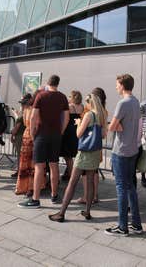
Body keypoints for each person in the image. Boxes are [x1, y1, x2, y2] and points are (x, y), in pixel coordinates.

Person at [49, 91, 106, 222]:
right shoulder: (101, 115)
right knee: (90, 181)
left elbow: (79, 134)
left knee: (72, 182)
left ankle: (61, 213)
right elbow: (103, 135)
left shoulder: (89, 115)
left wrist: (79, 123)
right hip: (95, 152)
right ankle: (87, 211)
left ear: (89, 103)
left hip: (85, 152)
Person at [22, 75, 70, 207]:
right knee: (54, 166)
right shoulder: (63, 97)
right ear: (58, 84)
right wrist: (61, 131)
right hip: (56, 135)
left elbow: (33, 117)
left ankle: (35, 199)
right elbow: (66, 117)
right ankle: (54, 195)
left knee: (39, 166)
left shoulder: (41, 96)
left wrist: (32, 133)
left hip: (42, 134)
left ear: (48, 83)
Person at [105, 74, 142, 236]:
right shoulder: (135, 102)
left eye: (117, 84)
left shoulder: (123, 103)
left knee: (121, 188)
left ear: (122, 85)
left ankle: (122, 226)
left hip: (121, 150)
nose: (116, 87)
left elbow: (112, 126)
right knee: (131, 187)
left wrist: (120, 127)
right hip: (133, 149)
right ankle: (136, 224)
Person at [15, 93, 37, 198]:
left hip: (27, 136)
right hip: (31, 137)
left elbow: (25, 123)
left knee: (25, 163)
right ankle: (30, 187)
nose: (23, 105)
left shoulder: (26, 110)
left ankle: (24, 187)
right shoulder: (33, 110)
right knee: (31, 164)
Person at [61, 90, 83, 181]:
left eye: (69, 97)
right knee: (74, 154)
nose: (68, 98)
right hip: (77, 130)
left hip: (69, 131)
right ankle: (72, 173)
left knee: (68, 155)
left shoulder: (69, 107)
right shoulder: (82, 106)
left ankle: (71, 175)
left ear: (73, 97)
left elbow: (65, 119)